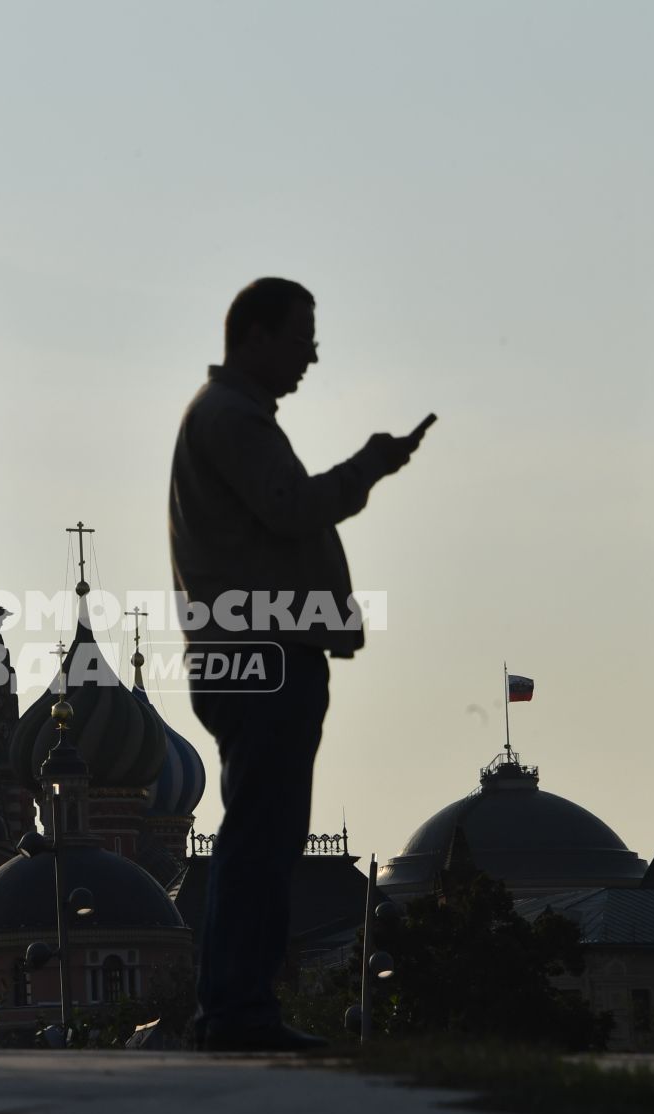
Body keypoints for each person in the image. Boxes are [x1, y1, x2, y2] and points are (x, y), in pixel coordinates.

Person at [167, 277, 426, 1052]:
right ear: (255, 336)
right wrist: (368, 468)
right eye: (300, 335)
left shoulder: (229, 417)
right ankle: (238, 1011)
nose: (312, 353)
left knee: (263, 834)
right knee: (262, 836)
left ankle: (236, 1006)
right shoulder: (233, 420)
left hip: (254, 649)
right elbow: (289, 508)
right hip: (262, 652)